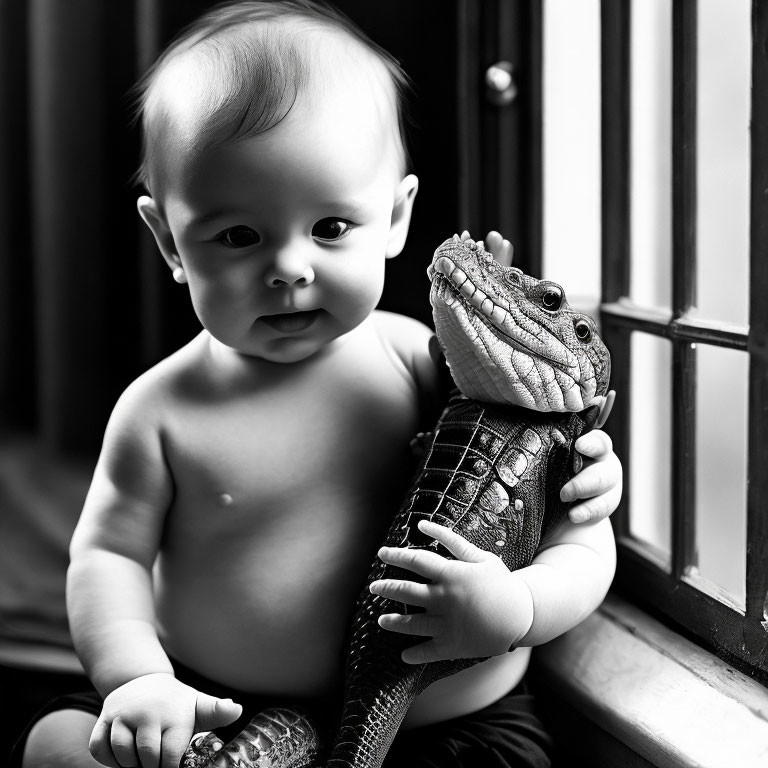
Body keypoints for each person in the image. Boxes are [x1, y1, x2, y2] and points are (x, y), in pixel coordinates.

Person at [15, 2, 621, 766]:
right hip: (218, 705)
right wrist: (138, 679)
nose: (290, 268)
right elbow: (109, 557)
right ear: (169, 240)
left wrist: (520, 604)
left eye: (331, 227)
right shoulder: (161, 409)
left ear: (396, 217)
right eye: (238, 236)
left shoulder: (432, 365)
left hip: (442, 723)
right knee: (58, 746)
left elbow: (576, 538)